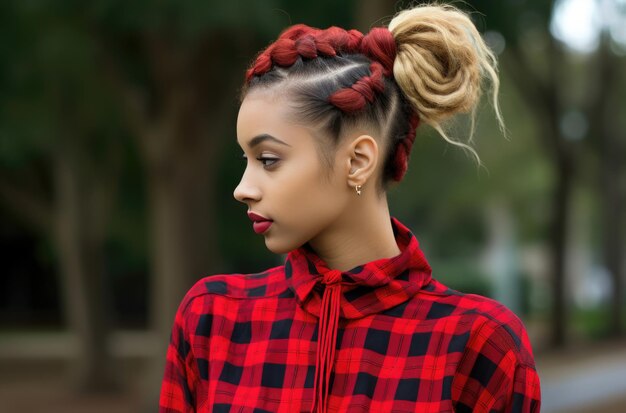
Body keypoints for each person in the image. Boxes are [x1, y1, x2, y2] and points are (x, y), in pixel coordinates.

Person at [159, 4, 541, 413]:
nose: (242, 189)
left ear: (358, 161)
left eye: (268, 159)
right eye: (245, 160)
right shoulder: (213, 321)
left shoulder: (478, 346)